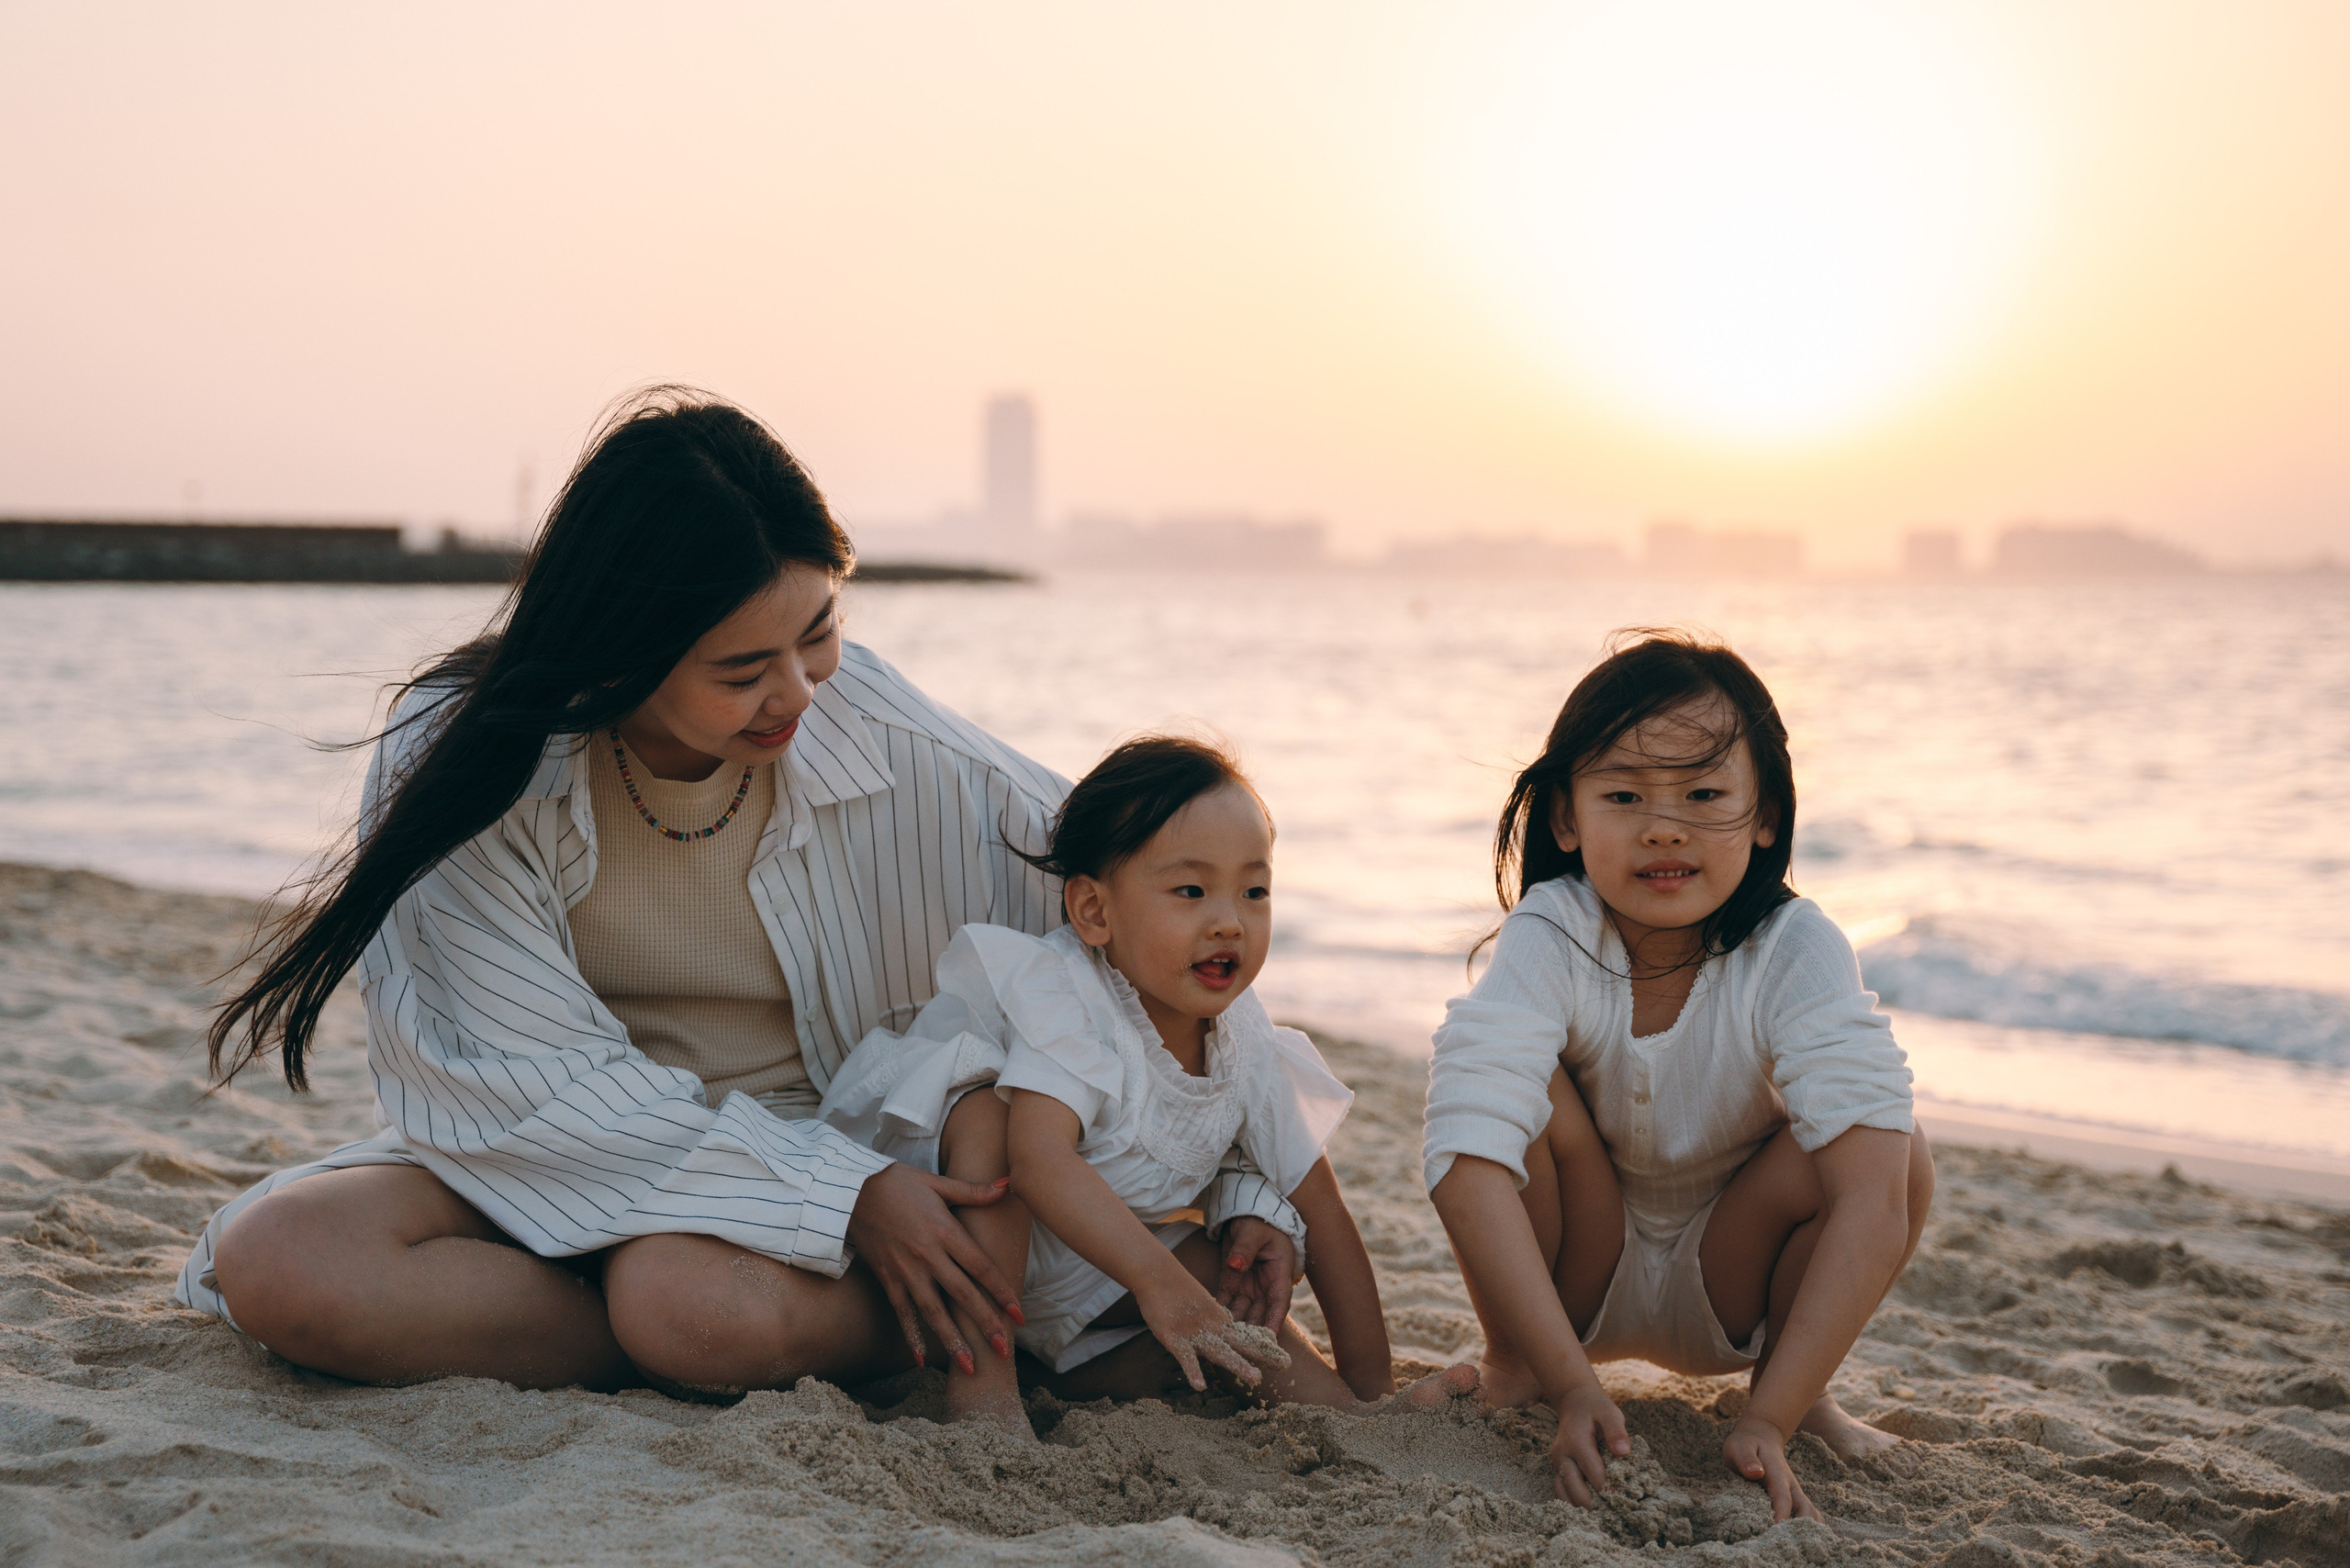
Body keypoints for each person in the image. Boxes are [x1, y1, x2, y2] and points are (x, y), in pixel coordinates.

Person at [175, 387, 1306, 1399]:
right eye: (740, 670)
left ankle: (823, 1328)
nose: (798, 692)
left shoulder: (892, 739)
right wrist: (841, 1194)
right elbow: (519, 1091)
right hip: (570, 1152)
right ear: (620, 652)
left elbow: (1155, 918)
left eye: (819, 633)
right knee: (285, 1259)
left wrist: (1257, 1183)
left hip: (852, 1147)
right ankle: (978, 1341)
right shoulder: (466, 758)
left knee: (689, 1301)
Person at [1418, 631, 1931, 1520]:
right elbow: (1464, 1156)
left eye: (1702, 793)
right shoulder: (1551, 930)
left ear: (1766, 815)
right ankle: (1517, 1363)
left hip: (1736, 1274)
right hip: (1573, 1272)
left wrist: (1767, 1421)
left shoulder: (1795, 946)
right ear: (1567, 818)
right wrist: (1573, 1386)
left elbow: (1876, 1199)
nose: (1663, 827)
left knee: (1893, 1147)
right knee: (1509, 1099)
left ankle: (1797, 1393)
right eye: (1624, 795)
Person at [821, 736, 1393, 1426]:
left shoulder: (1250, 1043)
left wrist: (1375, 1382)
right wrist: (1159, 1284)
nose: (1229, 922)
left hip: (1084, 1255)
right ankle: (985, 1395)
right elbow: (1039, 1161)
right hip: (952, 1219)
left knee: (1234, 1288)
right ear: (1095, 911)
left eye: (1255, 891)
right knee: (990, 1117)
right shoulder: (1069, 998)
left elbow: (1324, 1213)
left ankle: (1356, 1414)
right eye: (1191, 891)